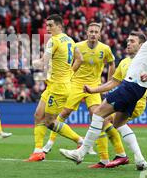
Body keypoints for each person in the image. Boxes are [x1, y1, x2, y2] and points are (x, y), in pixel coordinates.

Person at [60, 7, 147, 170]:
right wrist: (94, 90)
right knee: (118, 122)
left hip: (132, 84)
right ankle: (140, 160)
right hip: (137, 89)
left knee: (98, 113)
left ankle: (81, 152)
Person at [84, 32, 147, 168]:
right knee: (111, 121)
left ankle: (107, 155)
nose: (128, 44)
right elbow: (114, 82)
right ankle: (133, 158)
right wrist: (94, 90)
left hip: (137, 101)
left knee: (103, 118)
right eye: (127, 41)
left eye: (132, 41)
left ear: (141, 45)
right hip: (126, 95)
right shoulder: (124, 62)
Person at [42, 22, 117, 155]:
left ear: (100, 34)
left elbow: (111, 64)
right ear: (87, 33)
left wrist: (109, 82)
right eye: (91, 31)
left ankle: (88, 146)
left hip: (94, 86)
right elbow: (67, 61)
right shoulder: (77, 46)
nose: (93, 34)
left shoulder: (105, 49)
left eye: (96, 32)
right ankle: (50, 143)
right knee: (64, 113)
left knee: (96, 116)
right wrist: (67, 75)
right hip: (76, 84)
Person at [26, 14, 84, 162]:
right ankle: (38, 151)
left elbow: (43, 62)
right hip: (54, 85)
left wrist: (32, 63)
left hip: (59, 87)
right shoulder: (70, 40)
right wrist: (70, 73)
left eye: (51, 25)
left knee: (49, 122)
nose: (48, 28)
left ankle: (80, 141)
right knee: (38, 115)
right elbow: (80, 59)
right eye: (47, 25)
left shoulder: (54, 40)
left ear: (59, 25)